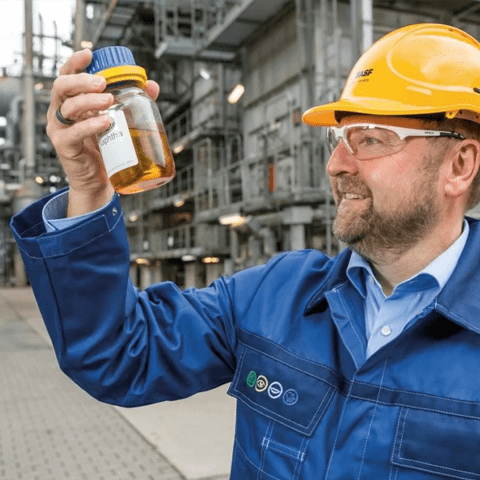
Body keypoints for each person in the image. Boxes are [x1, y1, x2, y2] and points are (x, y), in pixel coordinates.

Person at [10, 22, 480, 478]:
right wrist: (90, 188)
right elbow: (117, 355)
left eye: (371, 139)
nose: (336, 165)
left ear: (459, 165)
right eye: (338, 140)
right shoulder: (278, 295)